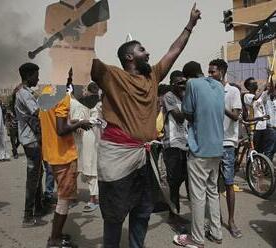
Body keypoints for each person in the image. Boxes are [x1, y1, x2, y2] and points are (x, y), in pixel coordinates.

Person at [91, 4, 201, 247]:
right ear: (129, 56)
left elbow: (174, 50)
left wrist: (190, 25)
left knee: (142, 211)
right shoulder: (111, 75)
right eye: (142, 49)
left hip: (144, 156)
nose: (148, 52)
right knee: (114, 214)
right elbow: (82, 57)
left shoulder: (152, 75)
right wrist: (80, 29)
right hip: (117, 157)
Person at [174, 61, 224, 248]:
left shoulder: (192, 84)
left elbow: (187, 112)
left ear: (187, 77)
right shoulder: (218, 85)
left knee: (197, 196)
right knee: (212, 192)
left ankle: (196, 239)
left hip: (200, 148)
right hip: (217, 148)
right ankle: (216, 233)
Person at [39, 88, 92, 248]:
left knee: (63, 195)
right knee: (64, 198)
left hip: (52, 152)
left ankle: (57, 234)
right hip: (63, 155)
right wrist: (81, 123)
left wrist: (74, 122)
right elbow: (61, 130)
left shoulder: (46, 93)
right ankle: (54, 240)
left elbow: (55, 123)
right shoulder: (62, 97)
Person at [208, 59, 243, 239]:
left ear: (221, 71)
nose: (210, 74)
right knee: (211, 186)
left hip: (227, 144)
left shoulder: (233, 91)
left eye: (213, 71)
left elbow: (236, 116)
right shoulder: (210, 90)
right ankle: (215, 221)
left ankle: (231, 220)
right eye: (209, 71)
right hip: (211, 144)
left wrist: (219, 106)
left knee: (229, 183)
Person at [14, 63, 45, 227]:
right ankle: (27, 216)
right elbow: (39, 113)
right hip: (31, 140)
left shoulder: (25, 92)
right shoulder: (24, 94)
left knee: (38, 174)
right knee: (33, 176)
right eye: (36, 75)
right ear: (28, 75)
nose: (38, 78)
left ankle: (39, 207)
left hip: (33, 139)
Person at [162, 70, 189, 230]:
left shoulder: (183, 97)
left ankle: (176, 214)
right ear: (172, 83)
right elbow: (179, 117)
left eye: (184, 83)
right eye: (179, 83)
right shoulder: (169, 97)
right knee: (174, 183)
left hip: (186, 144)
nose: (183, 86)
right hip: (172, 145)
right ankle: (173, 216)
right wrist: (188, 102)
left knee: (183, 179)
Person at [70, 82, 102, 212]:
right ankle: (89, 197)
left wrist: (76, 122)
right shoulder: (86, 104)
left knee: (91, 169)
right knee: (87, 168)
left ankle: (94, 199)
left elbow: (92, 120)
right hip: (87, 139)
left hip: (92, 138)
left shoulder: (98, 104)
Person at [242, 77, 269, 153]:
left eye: (256, 83)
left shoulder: (259, 96)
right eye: (254, 84)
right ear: (248, 87)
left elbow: (269, 90)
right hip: (254, 127)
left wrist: (268, 77)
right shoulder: (247, 96)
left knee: (262, 150)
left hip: (263, 126)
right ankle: (251, 163)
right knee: (254, 150)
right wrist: (263, 86)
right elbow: (256, 98)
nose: (256, 84)